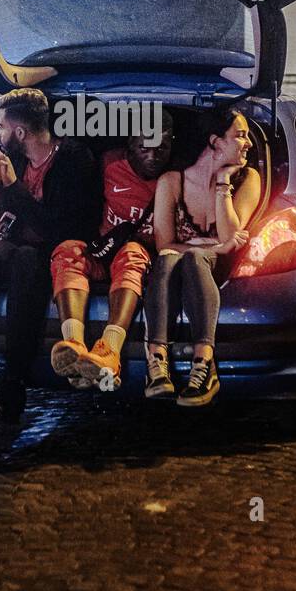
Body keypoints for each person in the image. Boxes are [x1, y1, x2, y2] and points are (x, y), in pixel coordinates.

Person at [0, 87, 99, 424]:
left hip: (55, 253)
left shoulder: (74, 159)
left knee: (27, 261)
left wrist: (15, 188)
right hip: (13, 247)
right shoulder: (13, 157)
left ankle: (13, 382)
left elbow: (60, 229)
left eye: (1, 127)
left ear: (20, 132)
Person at [142, 106, 261, 407]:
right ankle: (156, 363)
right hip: (178, 266)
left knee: (194, 258)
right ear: (215, 142)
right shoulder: (172, 182)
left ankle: (204, 365)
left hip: (222, 270)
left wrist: (223, 182)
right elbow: (164, 243)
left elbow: (228, 234)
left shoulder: (248, 179)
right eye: (241, 136)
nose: (248, 143)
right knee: (168, 257)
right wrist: (214, 246)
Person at [50, 115, 174, 390]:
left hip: (138, 258)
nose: (153, 156)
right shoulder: (109, 163)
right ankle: (74, 346)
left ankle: (110, 352)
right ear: (131, 144)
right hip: (103, 249)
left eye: (161, 149)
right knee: (67, 250)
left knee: (131, 252)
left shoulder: (174, 178)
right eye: (144, 148)